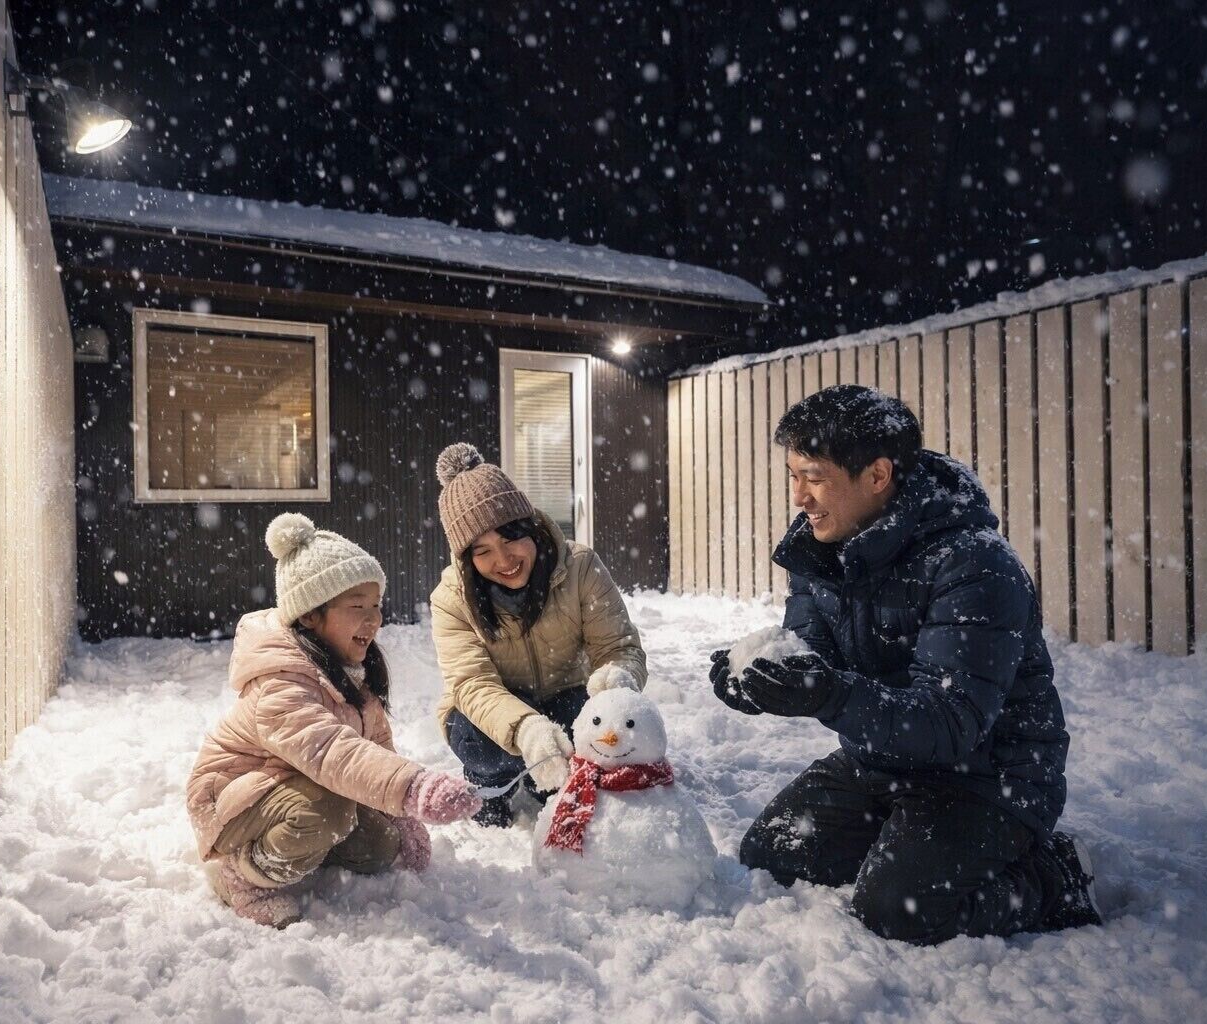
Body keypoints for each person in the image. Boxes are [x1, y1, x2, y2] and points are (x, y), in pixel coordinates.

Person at [713, 384, 1102, 945]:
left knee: (900, 911)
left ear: (877, 475)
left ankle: (1056, 875)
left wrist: (827, 693)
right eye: (793, 476)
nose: (799, 497)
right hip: (880, 759)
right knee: (775, 850)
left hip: (990, 776)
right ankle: (912, 845)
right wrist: (763, 678)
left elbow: (949, 721)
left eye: (814, 478)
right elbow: (812, 653)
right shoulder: (822, 549)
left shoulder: (974, 565)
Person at [186, 513, 481, 927]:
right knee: (326, 813)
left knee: (379, 846)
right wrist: (413, 787)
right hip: (235, 800)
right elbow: (331, 751)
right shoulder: (281, 683)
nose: (374, 619)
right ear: (310, 615)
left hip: (296, 787)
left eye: (376, 605)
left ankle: (305, 843)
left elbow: (374, 747)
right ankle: (241, 875)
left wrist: (401, 815)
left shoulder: (348, 672)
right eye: (357, 606)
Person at [430, 442, 648, 826]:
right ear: (466, 559)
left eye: (509, 537)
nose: (503, 560)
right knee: (481, 741)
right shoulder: (451, 598)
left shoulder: (580, 567)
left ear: (529, 526)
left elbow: (618, 646)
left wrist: (617, 680)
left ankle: (544, 784)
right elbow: (472, 684)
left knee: (588, 729)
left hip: (566, 694)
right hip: (493, 710)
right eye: (482, 551)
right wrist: (525, 729)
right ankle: (491, 784)